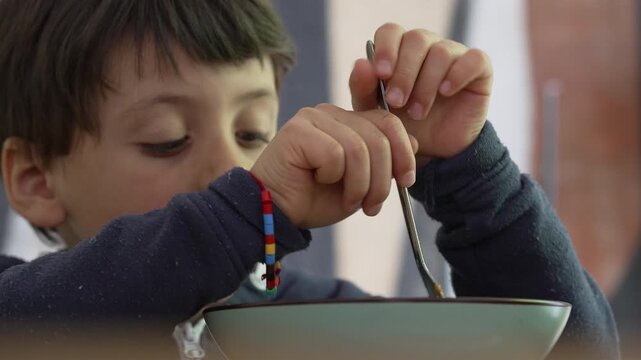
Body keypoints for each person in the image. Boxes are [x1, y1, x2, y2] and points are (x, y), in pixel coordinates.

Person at [0, 0, 618, 359]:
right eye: (167, 139)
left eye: (252, 134)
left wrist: (470, 174)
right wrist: (246, 212)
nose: (230, 170)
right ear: (35, 179)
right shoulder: (26, 314)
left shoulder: (310, 320)